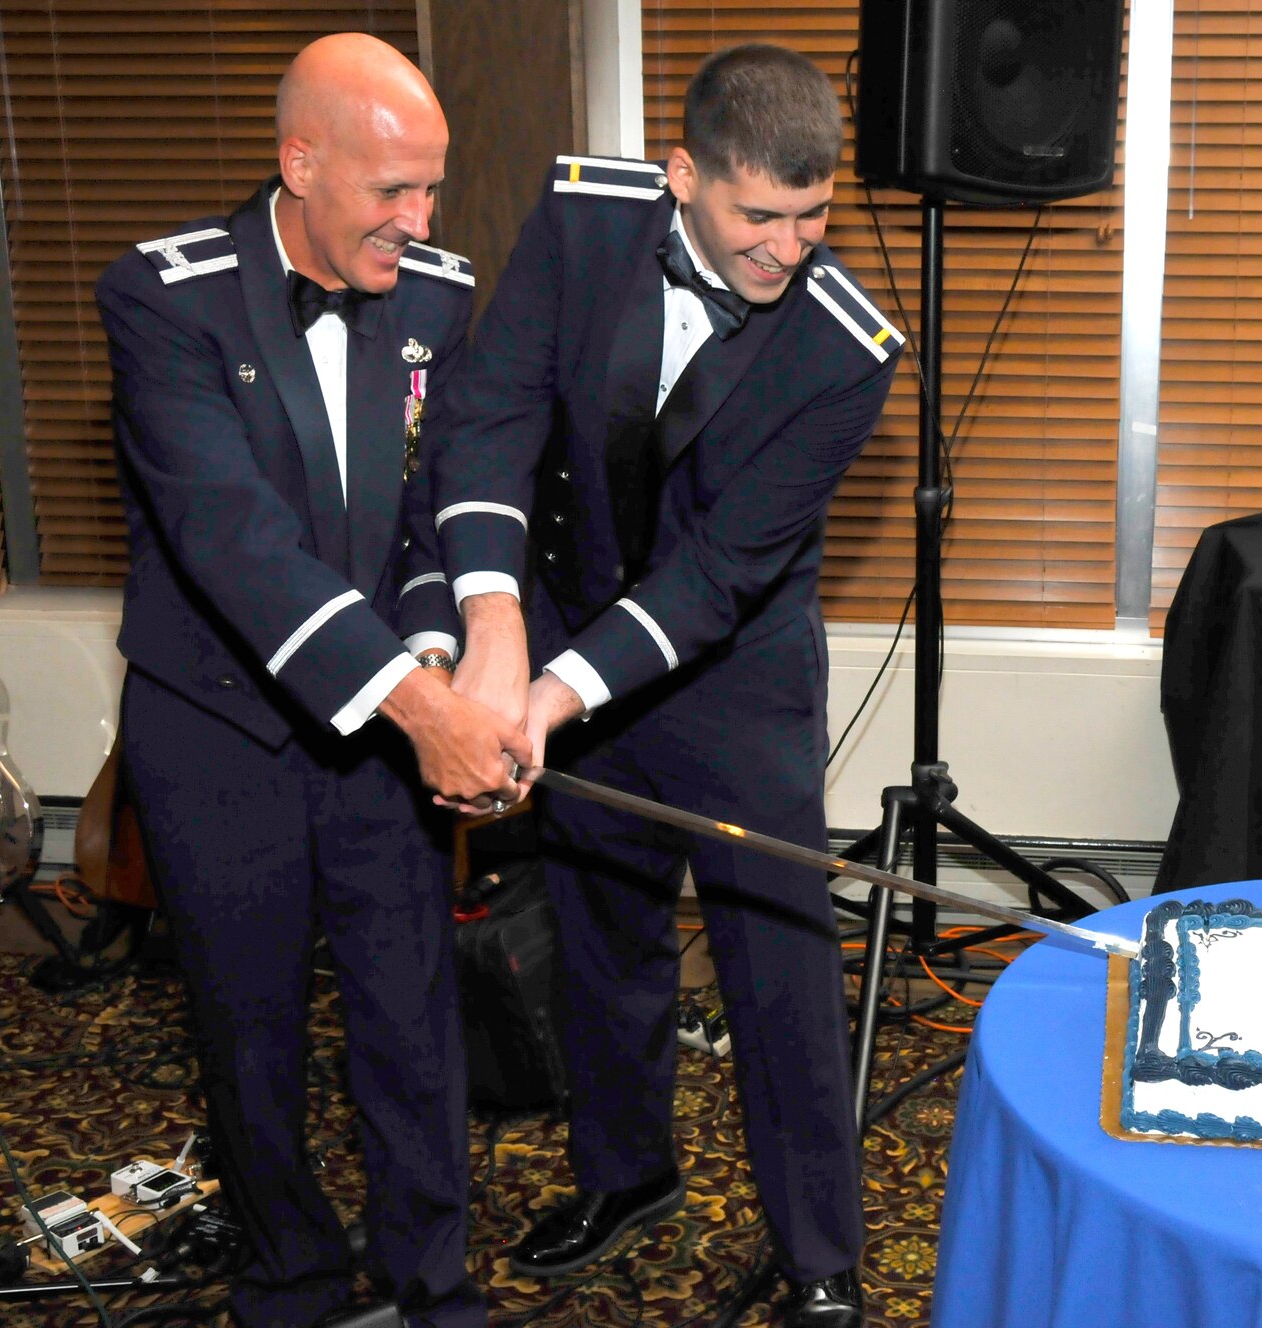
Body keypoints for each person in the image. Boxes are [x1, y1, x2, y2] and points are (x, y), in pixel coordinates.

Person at [428, 43, 903, 1328]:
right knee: (600, 938)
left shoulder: (847, 350)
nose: (787, 247)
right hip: (561, 637)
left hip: (732, 686)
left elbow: (718, 574)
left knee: (779, 974)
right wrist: (496, 629)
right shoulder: (585, 223)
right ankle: (626, 1176)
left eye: (813, 217)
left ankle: (820, 1251)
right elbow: (488, 418)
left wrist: (553, 692)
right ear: (682, 174)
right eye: (758, 214)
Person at [95, 32, 522, 1328]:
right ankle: (291, 1278)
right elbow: (234, 543)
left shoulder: (437, 295)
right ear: (300, 162)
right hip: (214, 726)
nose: (422, 218)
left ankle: (430, 1280)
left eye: (434, 188)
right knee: (249, 1029)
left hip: (382, 725)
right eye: (394, 190)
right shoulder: (163, 297)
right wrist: (420, 704)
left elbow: (425, 516)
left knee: (412, 1013)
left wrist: (440, 655)